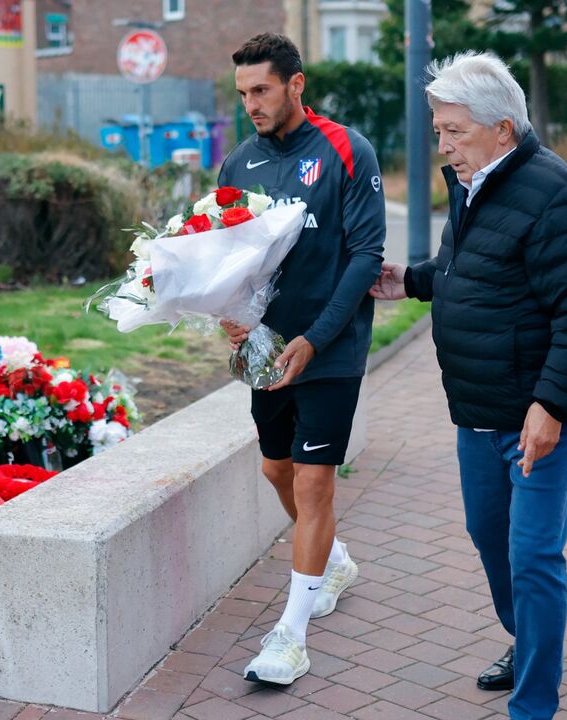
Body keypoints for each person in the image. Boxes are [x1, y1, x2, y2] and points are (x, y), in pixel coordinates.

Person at [369, 52, 567, 720]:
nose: (442, 146)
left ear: (501, 129)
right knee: (489, 536)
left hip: (537, 414)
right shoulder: (476, 182)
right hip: (477, 411)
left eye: (453, 131)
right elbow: (472, 267)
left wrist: (552, 404)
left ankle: (533, 704)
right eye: (439, 131)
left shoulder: (554, 193)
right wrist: (414, 280)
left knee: (533, 554)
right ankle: (525, 640)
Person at [217, 33, 386, 685]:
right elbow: (229, 258)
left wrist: (314, 337)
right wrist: (229, 312)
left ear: (296, 85)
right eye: (242, 94)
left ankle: (291, 635)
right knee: (275, 470)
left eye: (261, 90)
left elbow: (366, 255)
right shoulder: (237, 165)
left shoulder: (348, 149)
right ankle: (334, 560)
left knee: (316, 483)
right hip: (264, 350)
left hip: (331, 346)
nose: (251, 105)